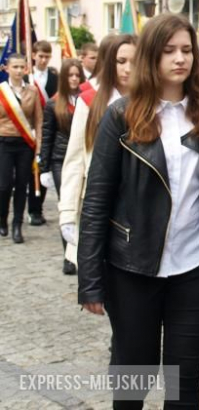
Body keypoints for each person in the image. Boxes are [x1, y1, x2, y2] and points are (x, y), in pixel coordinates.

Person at [78, 14, 199, 408]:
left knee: (186, 378)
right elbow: (97, 200)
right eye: (169, 51)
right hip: (132, 269)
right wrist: (90, 280)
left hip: (194, 267)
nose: (180, 59)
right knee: (135, 373)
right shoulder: (121, 116)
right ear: (151, 56)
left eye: (186, 50)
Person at [59, 34, 136, 269]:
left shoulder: (153, 102)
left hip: (139, 200)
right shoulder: (90, 101)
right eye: (120, 61)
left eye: (134, 61)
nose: (128, 69)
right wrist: (68, 212)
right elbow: (75, 160)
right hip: (100, 198)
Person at [39, 59, 85, 274]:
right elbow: (47, 136)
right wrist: (44, 167)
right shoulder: (53, 103)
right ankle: (68, 255)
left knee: (82, 207)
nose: (74, 79)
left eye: (78, 75)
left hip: (82, 160)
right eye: (70, 75)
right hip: (60, 160)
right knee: (66, 205)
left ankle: (81, 253)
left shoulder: (88, 100)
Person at [0, 53, 42, 243]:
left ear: (26, 69)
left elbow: (39, 121)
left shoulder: (32, 91)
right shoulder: (1, 91)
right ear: (6, 68)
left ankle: (17, 224)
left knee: (22, 185)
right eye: (14, 67)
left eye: (21, 67)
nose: (18, 71)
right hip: (3, 142)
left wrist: (39, 145)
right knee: (4, 185)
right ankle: (2, 220)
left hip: (25, 144)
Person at [27, 40, 58, 226]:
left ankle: (36, 209)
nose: (44, 60)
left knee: (42, 168)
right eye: (41, 56)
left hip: (48, 129)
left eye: (47, 57)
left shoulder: (54, 77)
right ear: (33, 56)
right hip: (27, 129)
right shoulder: (26, 77)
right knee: (26, 172)